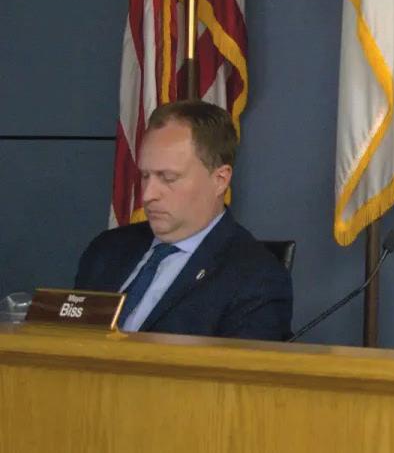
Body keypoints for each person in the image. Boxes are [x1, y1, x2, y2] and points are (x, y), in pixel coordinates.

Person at [75, 101, 292, 341]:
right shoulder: (106, 250)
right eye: (145, 176)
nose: (148, 195)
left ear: (220, 180)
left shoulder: (256, 279)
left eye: (168, 178)